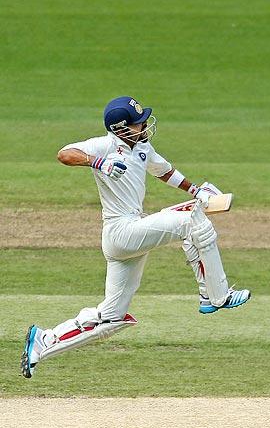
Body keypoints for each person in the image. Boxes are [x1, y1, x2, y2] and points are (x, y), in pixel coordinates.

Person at [21, 96, 251, 378]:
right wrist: (99, 163)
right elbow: (64, 153)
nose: (144, 126)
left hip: (131, 233)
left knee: (111, 318)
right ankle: (216, 296)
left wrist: (196, 191)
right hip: (121, 232)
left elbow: (164, 171)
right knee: (191, 222)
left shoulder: (142, 146)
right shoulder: (103, 145)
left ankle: (43, 342)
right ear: (121, 128)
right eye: (138, 123)